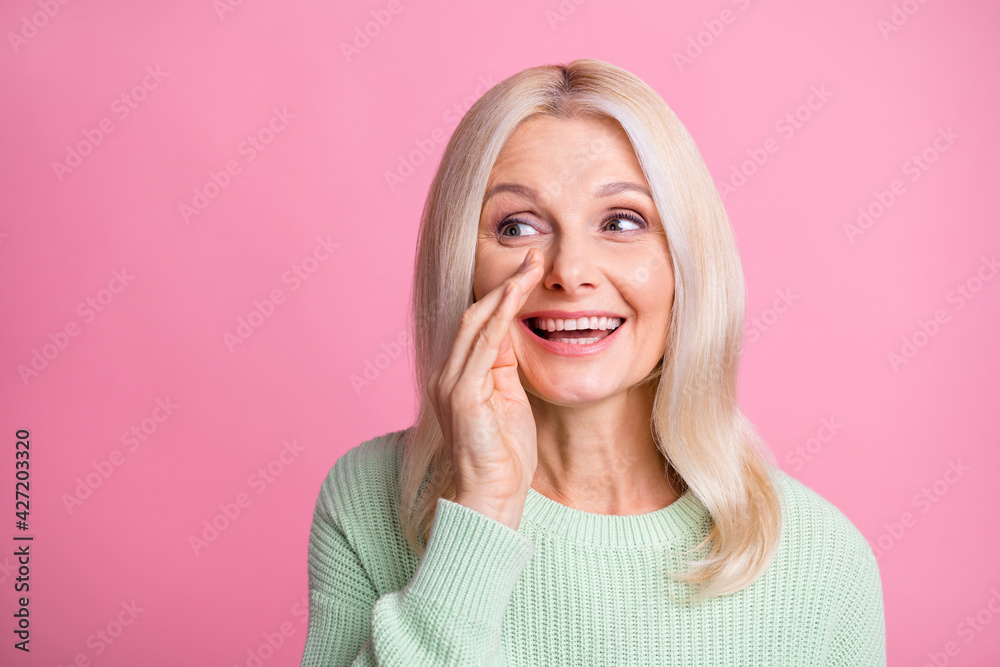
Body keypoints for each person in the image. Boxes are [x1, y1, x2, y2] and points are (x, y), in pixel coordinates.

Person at [302, 59, 886, 666]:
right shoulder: (369, 497)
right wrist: (482, 510)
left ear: (684, 263)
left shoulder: (820, 559)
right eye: (517, 227)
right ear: (463, 270)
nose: (569, 273)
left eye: (622, 221)